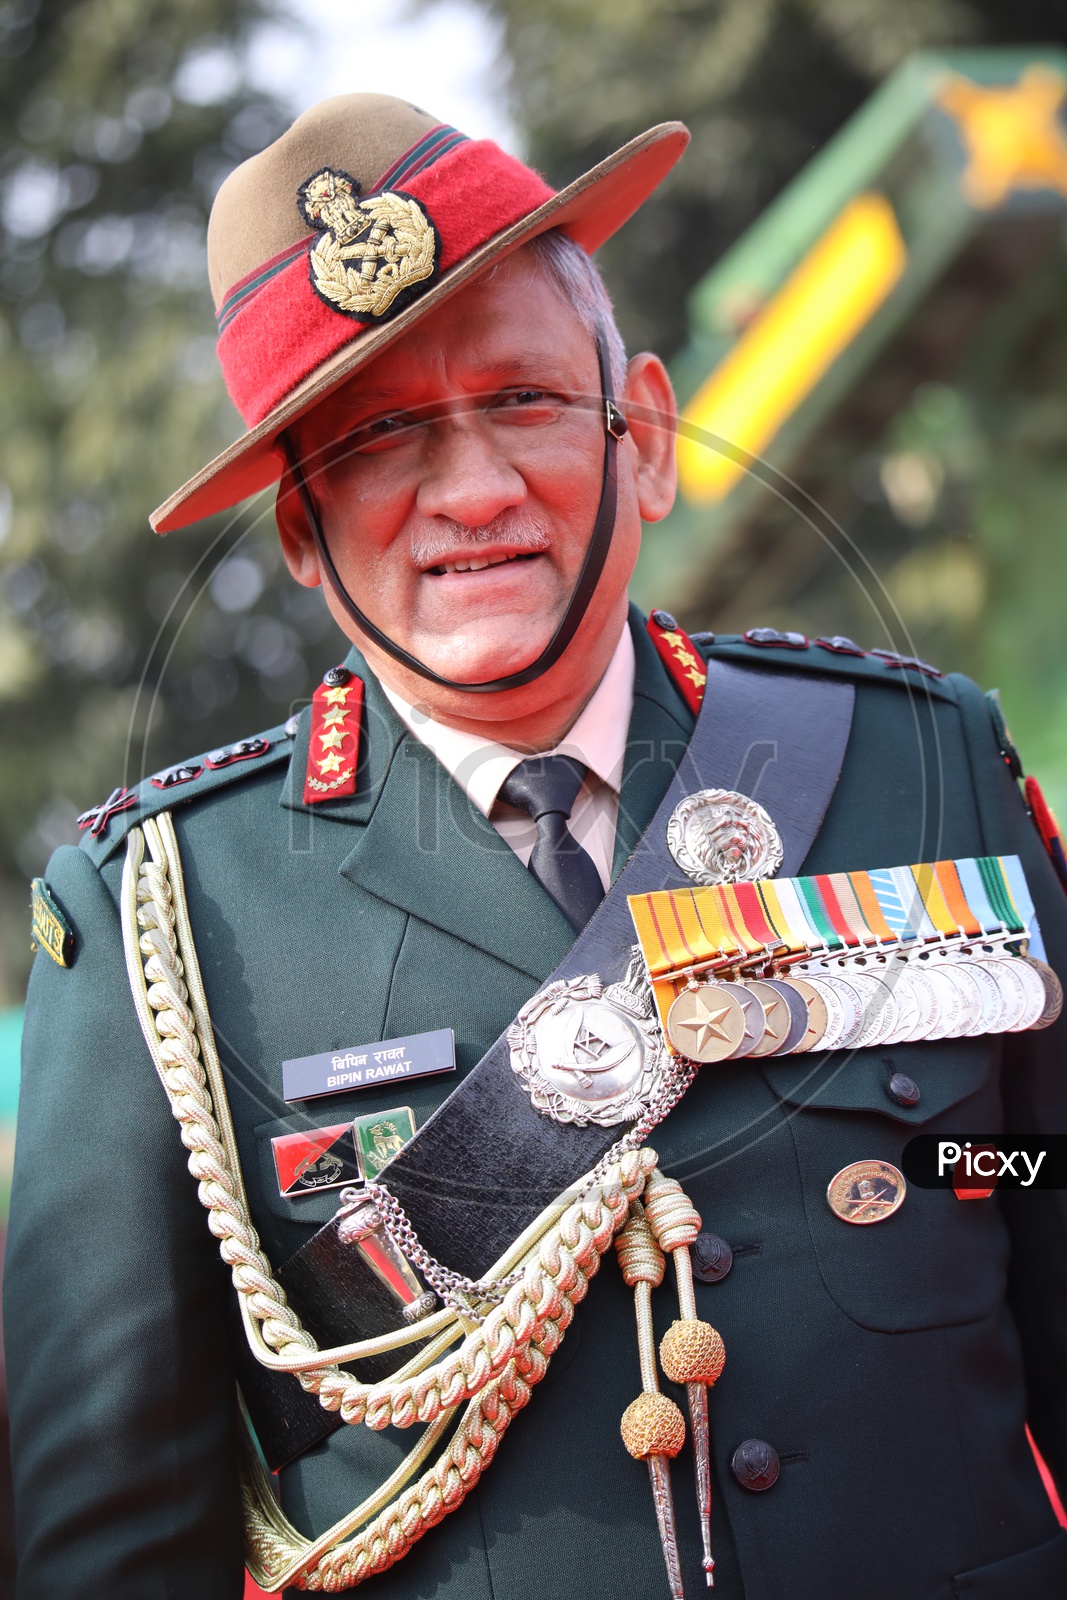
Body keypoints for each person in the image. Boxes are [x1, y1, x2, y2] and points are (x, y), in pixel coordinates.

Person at [6, 91, 1067, 1600]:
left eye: (522, 399)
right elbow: (113, 1548)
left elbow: (1033, 1178)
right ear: (303, 533)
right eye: (378, 440)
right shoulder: (161, 925)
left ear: (643, 430)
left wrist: (943, 1167)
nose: (476, 492)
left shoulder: (923, 767)